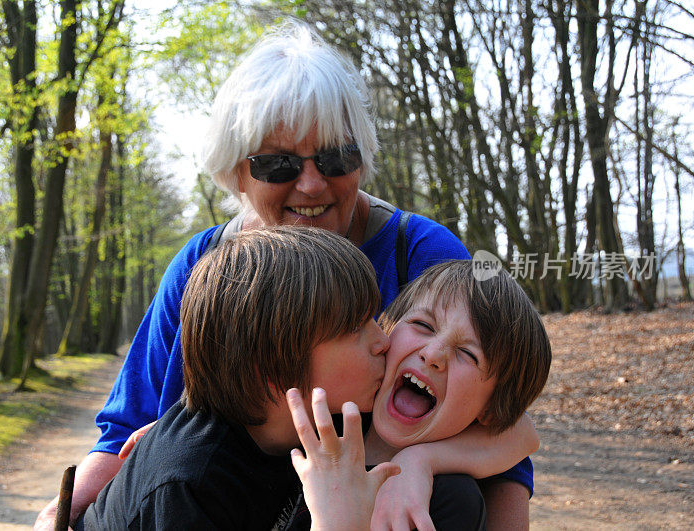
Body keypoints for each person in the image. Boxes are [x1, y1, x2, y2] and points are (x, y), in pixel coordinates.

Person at [35, 24, 532, 529]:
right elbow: (127, 426)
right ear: (235, 173)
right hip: (230, 503)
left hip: (337, 493)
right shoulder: (209, 267)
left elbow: (504, 418)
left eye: (337, 155)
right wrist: (60, 514)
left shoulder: (421, 255)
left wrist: (418, 463)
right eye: (277, 164)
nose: (312, 183)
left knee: (452, 497)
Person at [78, 227, 400, 529]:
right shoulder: (192, 485)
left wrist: (421, 465)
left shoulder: (333, 418)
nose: (383, 342)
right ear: (273, 364)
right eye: (355, 328)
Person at [286, 260, 552, 530]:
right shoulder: (325, 421)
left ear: (492, 409)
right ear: (387, 328)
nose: (433, 354)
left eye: (469, 354)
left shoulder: (450, 501)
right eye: (422, 325)